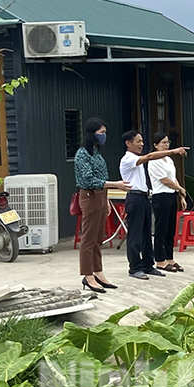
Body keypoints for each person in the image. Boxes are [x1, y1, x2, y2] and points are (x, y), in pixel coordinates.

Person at [119, 130, 188, 280]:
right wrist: (173, 151)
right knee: (136, 235)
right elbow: (150, 156)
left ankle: (148, 265)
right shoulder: (128, 159)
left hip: (144, 196)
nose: (141, 144)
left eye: (142, 141)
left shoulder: (138, 159)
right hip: (135, 197)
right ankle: (135, 267)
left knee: (145, 233)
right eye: (138, 141)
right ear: (128, 143)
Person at [73, 118, 131, 293]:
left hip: (100, 196)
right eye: (102, 133)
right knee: (88, 239)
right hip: (89, 196)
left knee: (99, 238)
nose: (104, 136)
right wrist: (116, 185)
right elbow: (89, 180)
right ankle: (87, 275)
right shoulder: (82, 154)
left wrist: (106, 200)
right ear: (92, 134)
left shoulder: (96, 152)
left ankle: (98, 272)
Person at [148, 132, 187, 273]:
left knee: (171, 229)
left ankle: (169, 258)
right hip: (161, 196)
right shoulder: (153, 161)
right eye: (163, 143)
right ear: (155, 145)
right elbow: (164, 180)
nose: (166, 145)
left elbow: (173, 178)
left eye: (167, 142)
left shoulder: (169, 160)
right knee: (161, 229)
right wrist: (179, 188)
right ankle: (159, 260)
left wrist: (181, 194)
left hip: (172, 195)